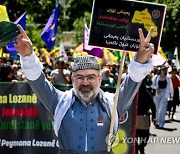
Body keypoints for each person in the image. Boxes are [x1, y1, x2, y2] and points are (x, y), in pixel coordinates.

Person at [14, 25, 154, 154]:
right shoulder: (60, 101)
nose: (85, 82)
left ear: (100, 80)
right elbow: (37, 81)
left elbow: (133, 81)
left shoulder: (113, 103)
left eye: (91, 77)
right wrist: (27, 56)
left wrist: (140, 61)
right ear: (73, 79)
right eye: (80, 77)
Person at [136, 79, 156, 154]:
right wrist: (153, 116)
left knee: (142, 137)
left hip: (142, 118)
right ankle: (139, 148)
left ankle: (140, 147)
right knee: (142, 136)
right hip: (137, 118)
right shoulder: (135, 94)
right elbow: (153, 106)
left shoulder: (145, 94)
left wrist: (154, 117)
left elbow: (153, 106)